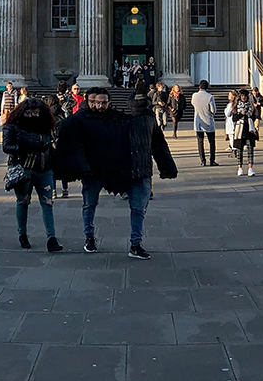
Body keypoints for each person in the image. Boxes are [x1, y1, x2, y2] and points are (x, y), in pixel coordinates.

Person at [51, 84, 176, 259]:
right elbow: (67, 140)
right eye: (94, 102)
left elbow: (147, 136)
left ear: (109, 102)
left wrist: (140, 107)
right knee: (89, 204)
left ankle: (136, 244)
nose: (99, 105)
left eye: (103, 102)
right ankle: (89, 238)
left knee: (138, 208)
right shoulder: (79, 119)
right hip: (92, 171)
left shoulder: (118, 118)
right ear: (88, 101)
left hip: (119, 168)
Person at [4, 96, 62, 252]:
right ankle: (22, 234)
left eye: (36, 112)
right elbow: (7, 146)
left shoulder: (47, 126)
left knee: (48, 203)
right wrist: (26, 146)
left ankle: (52, 238)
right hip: (24, 169)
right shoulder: (13, 126)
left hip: (45, 169)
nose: (33, 116)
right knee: (23, 201)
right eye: (29, 113)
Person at [225, 89, 261, 176]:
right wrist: (241, 113)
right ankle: (240, 168)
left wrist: (250, 114)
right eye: (242, 96)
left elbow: (255, 116)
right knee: (239, 150)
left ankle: (250, 168)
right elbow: (234, 118)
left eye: (245, 96)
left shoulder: (251, 106)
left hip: (249, 130)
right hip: (239, 130)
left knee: (250, 149)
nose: (243, 97)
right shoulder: (236, 106)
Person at [190, 81, 217, 166]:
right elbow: (213, 110)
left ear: (199, 87)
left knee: (200, 142)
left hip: (198, 121)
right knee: (211, 142)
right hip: (208, 121)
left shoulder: (194, 96)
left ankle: (203, 160)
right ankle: (212, 160)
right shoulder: (210, 97)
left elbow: (193, 104)